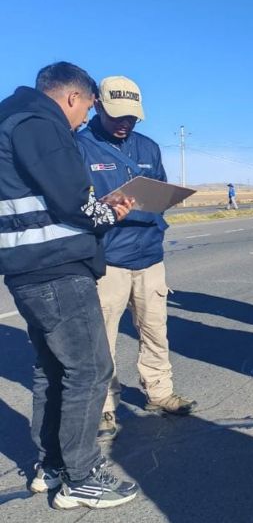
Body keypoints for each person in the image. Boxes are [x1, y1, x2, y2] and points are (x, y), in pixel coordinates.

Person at [0, 62, 139, 509]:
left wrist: (94, 207)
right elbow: (69, 197)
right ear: (74, 98)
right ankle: (81, 476)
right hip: (55, 268)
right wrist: (107, 212)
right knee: (89, 370)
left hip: (31, 267)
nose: (81, 122)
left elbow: (45, 196)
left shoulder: (11, 116)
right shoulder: (41, 121)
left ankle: (54, 465)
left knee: (54, 370)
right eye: (85, 110)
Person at [77, 76, 197, 442]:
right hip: (108, 258)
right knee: (103, 338)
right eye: (117, 116)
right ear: (97, 105)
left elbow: (158, 187)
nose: (124, 123)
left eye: (131, 117)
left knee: (155, 330)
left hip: (149, 254)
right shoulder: (80, 146)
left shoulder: (147, 148)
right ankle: (103, 406)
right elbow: (75, 203)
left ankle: (159, 392)